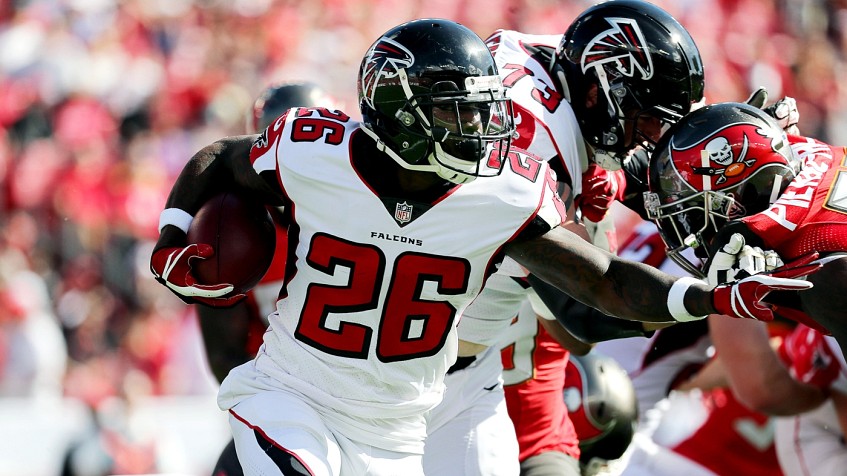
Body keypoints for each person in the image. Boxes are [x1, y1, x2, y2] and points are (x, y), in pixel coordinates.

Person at [150, 19, 814, 475]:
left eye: (483, 109)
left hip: (425, 406)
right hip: (303, 391)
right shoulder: (310, 151)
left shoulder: (501, 189)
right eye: (457, 113)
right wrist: (176, 231)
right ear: (401, 110)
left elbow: (602, 281)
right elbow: (220, 158)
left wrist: (713, 284)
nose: (483, 129)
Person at [435, 2, 706, 474]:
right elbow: (584, 313)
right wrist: (718, 300)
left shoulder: (555, 67)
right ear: (603, 92)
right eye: (645, 120)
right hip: (406, 365)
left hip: (466, 373)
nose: (649, 138)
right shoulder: (533, 145)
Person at [200, 81, 334, 476]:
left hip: (374, 401)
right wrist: (280, 406)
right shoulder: (234, 230)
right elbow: (225, 354)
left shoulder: (359, 213)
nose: (294, 161)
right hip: (282, 401)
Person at [644, 100, 847, 355]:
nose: (689, 234)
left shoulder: (827, 270)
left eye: (695, 216)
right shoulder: (803, 160)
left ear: (740, 200)